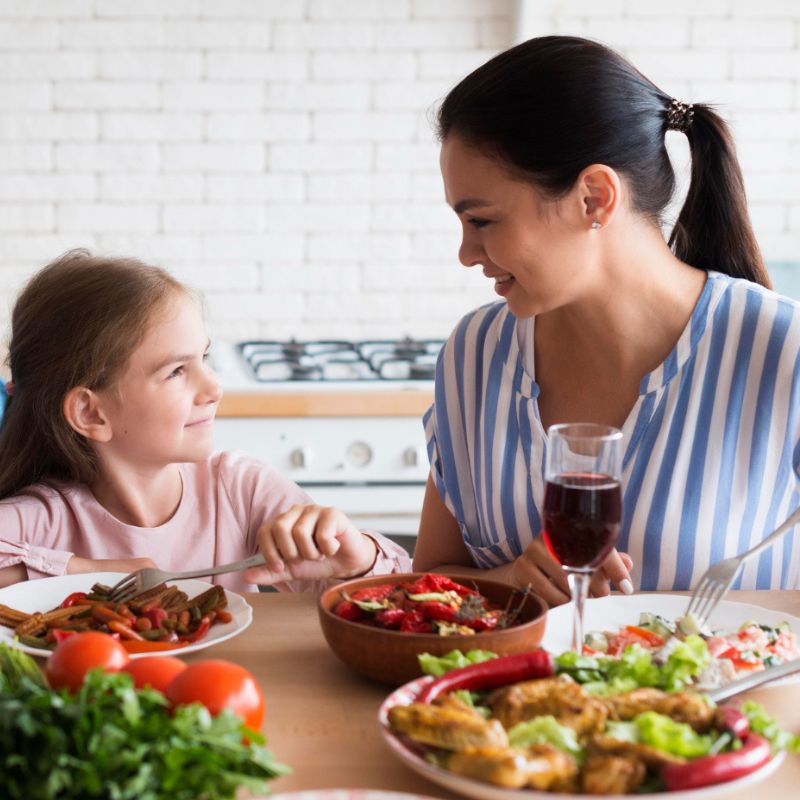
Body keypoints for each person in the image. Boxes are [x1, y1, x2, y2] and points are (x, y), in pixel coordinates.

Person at [412, 35, 800, 604]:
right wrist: (511, 584)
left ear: (594, 197)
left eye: (483, 220)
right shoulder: (474, 355)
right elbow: (432, 583)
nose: (467, 253)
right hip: (508, 696)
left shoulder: (781, 353)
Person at [0, 251, 411, 592]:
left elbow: (401, 598)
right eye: (176, 371)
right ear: (91, 413)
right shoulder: (47, 517)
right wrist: (92, 574)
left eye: (205, 359)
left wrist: (357, 561)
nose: (213, 388)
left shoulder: (240, 490)